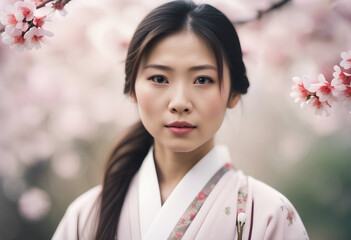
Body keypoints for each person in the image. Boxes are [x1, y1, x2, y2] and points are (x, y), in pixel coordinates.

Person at [52, 0, 309, 239]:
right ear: (132, 89)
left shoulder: (267, 216)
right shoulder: (85, 217)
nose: (179, 103)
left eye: (203, 80)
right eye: (159, 79)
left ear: (234, 94)